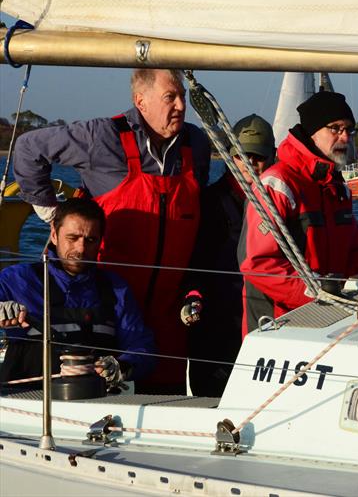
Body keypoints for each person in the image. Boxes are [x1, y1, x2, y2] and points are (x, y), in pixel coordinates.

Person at [12, 69, 210, 394]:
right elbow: (28, 148)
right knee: (103, 398)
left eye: (182, 97)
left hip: (168, 312)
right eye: (169, 97)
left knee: (166, 402)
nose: (180, 106)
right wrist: (53, 215)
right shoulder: (101, 136)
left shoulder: (196, 145)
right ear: (140, 101)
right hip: (109, 306)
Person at [238, 91, 358, 336]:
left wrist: (355, 287)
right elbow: (258, 264)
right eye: (335, 128)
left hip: (334, 319)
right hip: (281, 325)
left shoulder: (337, 187)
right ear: (313, 131)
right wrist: (315, 294)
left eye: (349, 130)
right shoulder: (278, 184)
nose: (345, 137)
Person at [0, 198, 155, 388]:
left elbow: (141, 344)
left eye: (90, 240)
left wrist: (123, 365)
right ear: (54, 235)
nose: (81, 249)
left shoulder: (115, 288)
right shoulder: (17, 279)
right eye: (72, 238)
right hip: (25, 401)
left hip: (96, 401)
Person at [183, 114, 275, 397]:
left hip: (264, 323)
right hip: (216, 325)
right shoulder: (208, 203)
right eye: (242, 156)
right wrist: (192, 295)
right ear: (229, 157)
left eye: (258, 157)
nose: (250, 164)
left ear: (271, 159)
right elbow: (193, 260)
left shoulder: (281, 204)